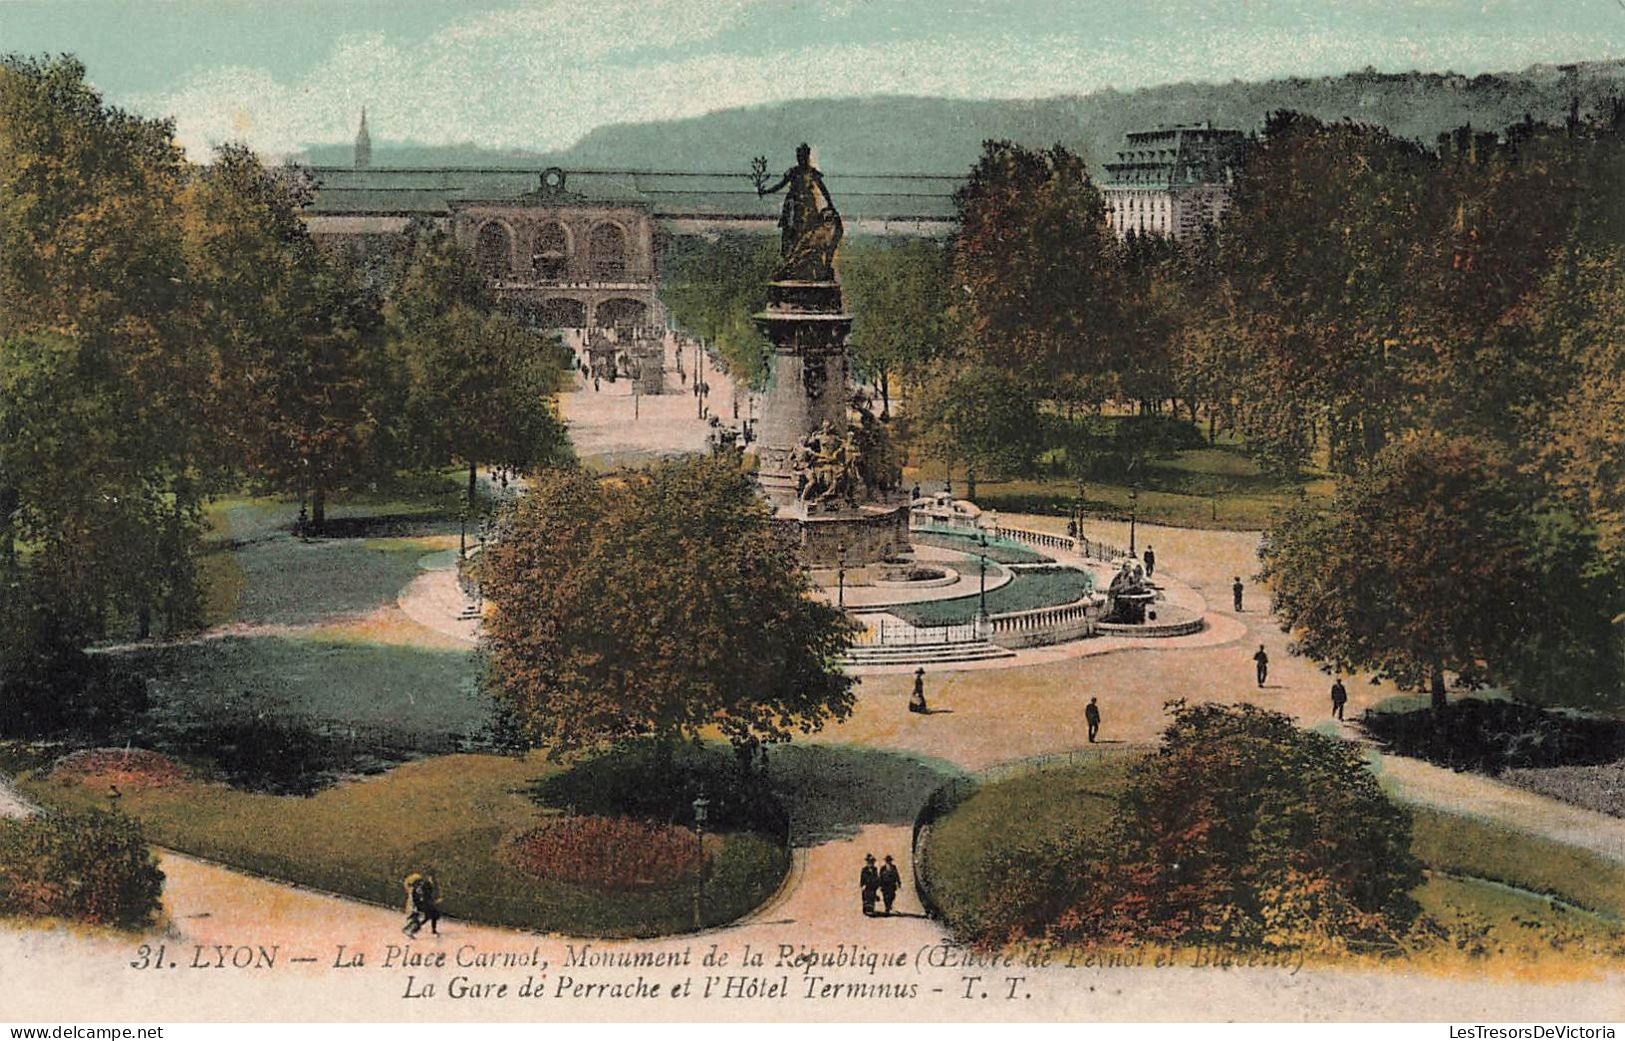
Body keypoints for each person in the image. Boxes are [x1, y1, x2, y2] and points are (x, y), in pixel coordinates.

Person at [402, 871, 441, 937]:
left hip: (422, 905)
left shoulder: (414, 889)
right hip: (425, 905)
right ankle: (411, 930)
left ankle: (410, 929)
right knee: (431, 916)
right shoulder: (422, 885)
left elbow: (416, 899)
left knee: (429, 916)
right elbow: (429, 892)